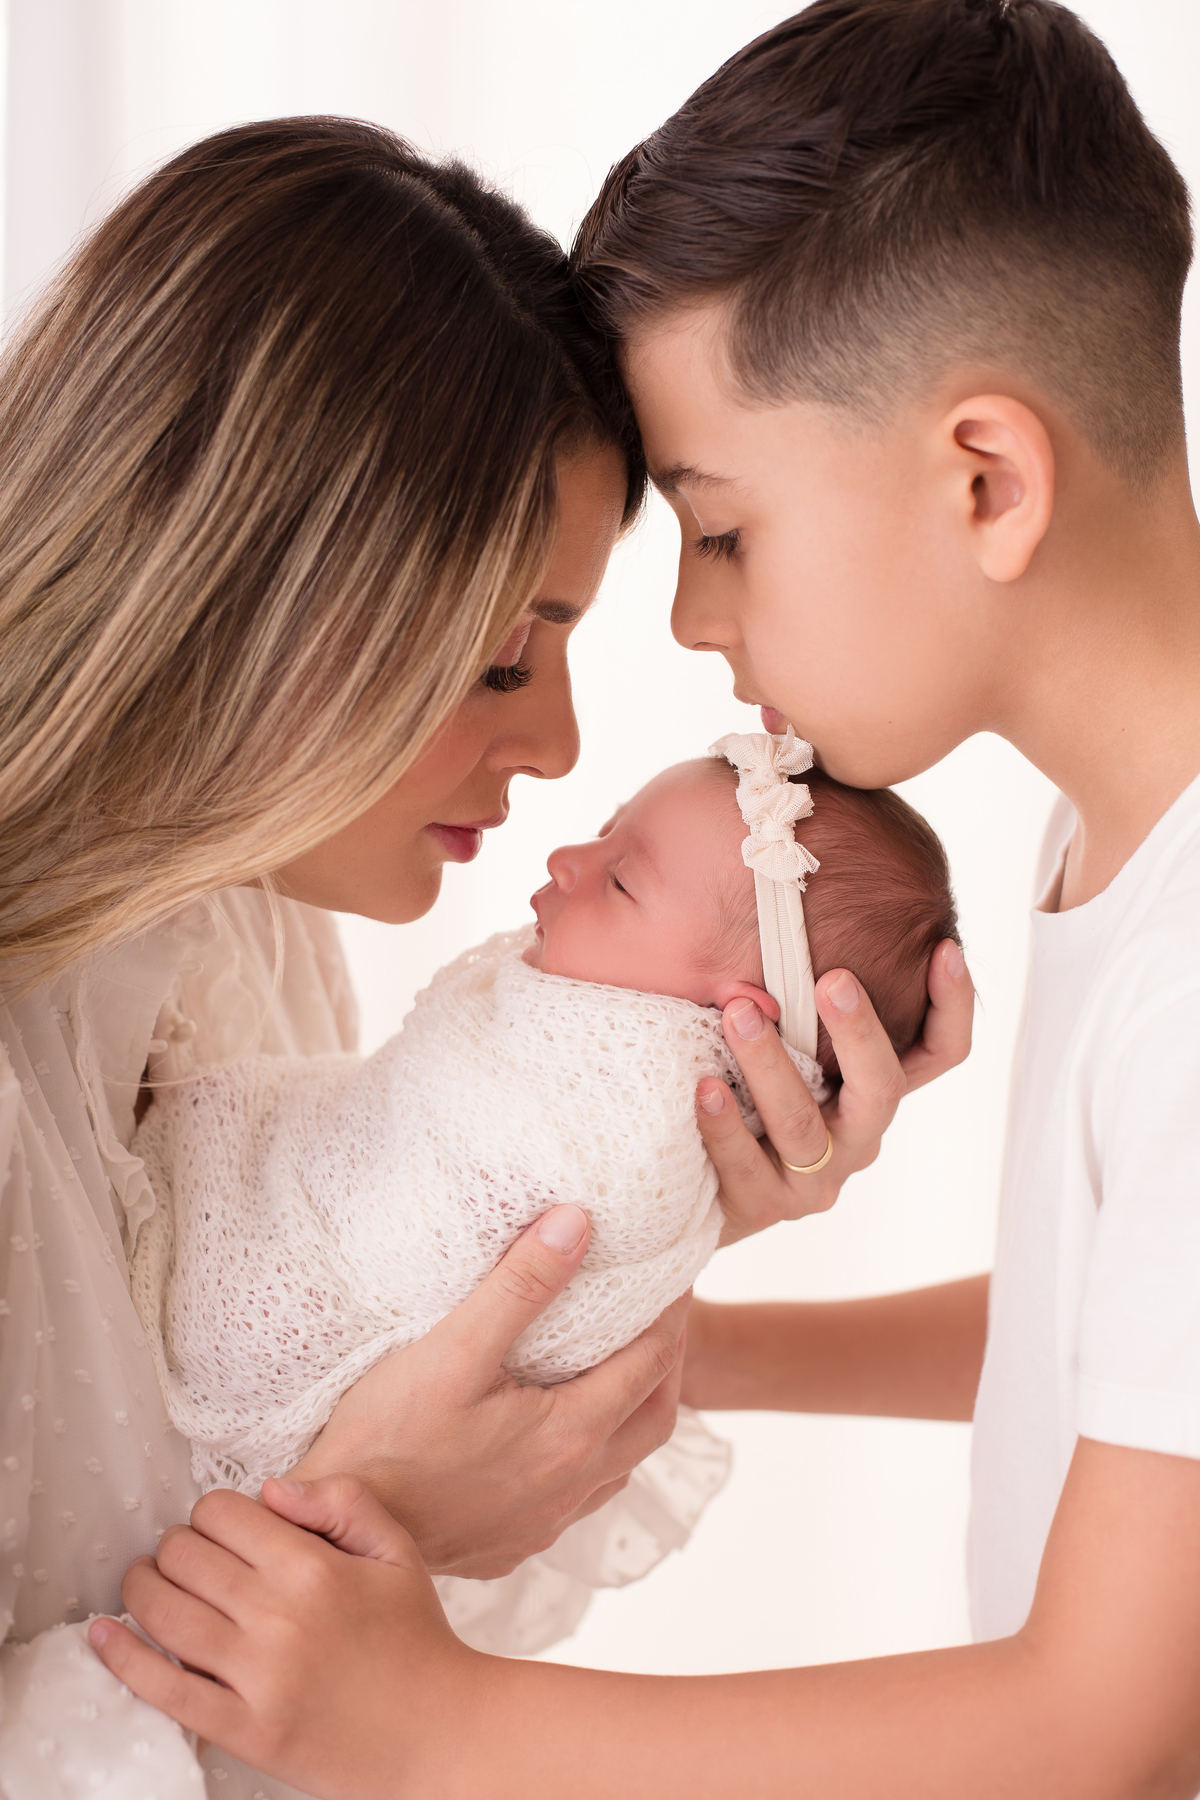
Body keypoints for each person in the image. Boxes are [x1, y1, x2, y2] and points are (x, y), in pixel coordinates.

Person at [92, 2, 1200, 1796]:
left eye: (722, 529)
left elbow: (1108, 1723)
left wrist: (436, 1723)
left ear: (987, 480)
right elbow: (1120, 1352)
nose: (689, 619)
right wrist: (640, 1317)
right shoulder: (1116, 842)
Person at [0, 109, 970, 1799]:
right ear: (249, 592)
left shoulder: (237, 930)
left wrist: (628, 1245)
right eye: (505, 657)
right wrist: (353, 1521)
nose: (560, 748)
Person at [128, 736, 957, 1659]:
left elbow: (465, 1241)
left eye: (622, 881)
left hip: (271, 1340)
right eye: (605, 832)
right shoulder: (546, 1026)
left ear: (742, 1017)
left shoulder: (620, 1129)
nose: (567, 859)